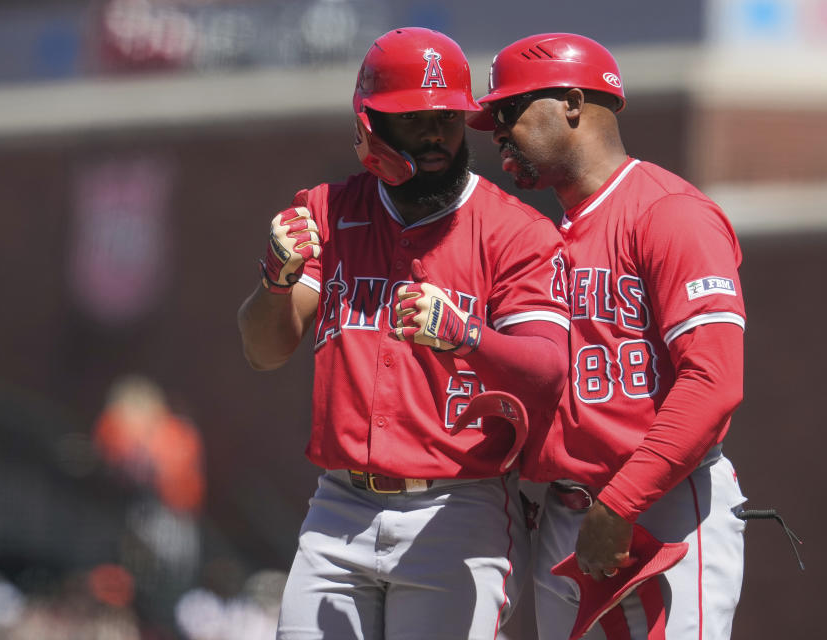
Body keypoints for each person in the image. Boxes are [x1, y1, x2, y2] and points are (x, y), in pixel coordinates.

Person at [236, 27, 572, 640]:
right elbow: (263, 350)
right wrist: (275, 282)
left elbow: (549, 370)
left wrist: (469, 335)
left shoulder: (514, 231)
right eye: (414, 119)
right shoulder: (328, 212)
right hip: (340, 505)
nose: (436, 135)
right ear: (370, 127)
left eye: (447, 118)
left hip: (459, 506)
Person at [471, 33, 749, 639]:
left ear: (572, 103)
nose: (495, 132)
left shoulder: (670, 212)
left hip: (663, 507)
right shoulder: (537, 238)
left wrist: (622, 502)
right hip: (565, 516)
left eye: (508, 111)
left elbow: (714, 382)